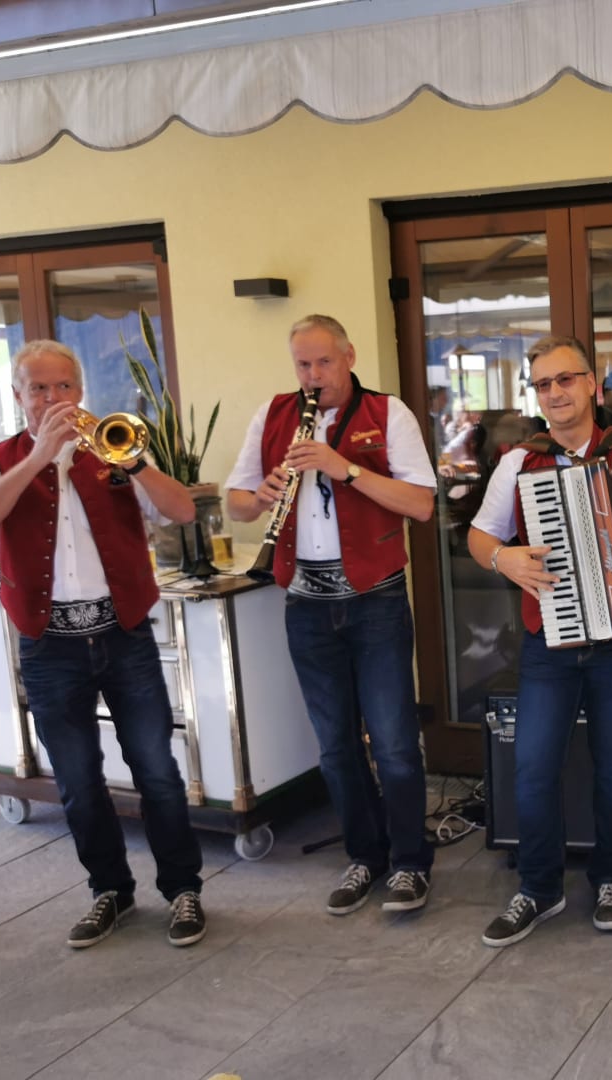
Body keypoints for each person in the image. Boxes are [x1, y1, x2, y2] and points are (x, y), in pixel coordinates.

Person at [0, 340, 208, 950]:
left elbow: (181, 511)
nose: (53, 398)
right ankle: (110, 891)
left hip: (124, 636)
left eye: (63, 386)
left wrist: (136, 462)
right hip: (49, 645)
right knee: (77, 779)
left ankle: (183, 889)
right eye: (39, 388)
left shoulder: (115, 447)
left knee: (157, 771)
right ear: (18, 396)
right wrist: (38, 458)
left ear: (80, 390)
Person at [226, 314, 437, 916]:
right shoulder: (273, 415)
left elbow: (421, 504)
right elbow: (236, 504)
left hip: (376, 600)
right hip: (307, 603)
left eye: (323, 361)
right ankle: (364, 856)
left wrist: (345, 468)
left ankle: (409, 862)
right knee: (336, 748)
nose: (313, 374)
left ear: (349, 356)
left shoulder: (388, 413)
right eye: (303, 364)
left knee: (394, 744)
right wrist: (261, 496)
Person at [468, 334, 612, 948]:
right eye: (543, 384)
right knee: (532, 768)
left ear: (593, 387)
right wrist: (502, 557)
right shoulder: (519, 463)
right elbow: (480, 535)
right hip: (548, 641)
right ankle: (539, 887)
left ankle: (610, 879)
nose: (554, 393)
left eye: (566, 379)